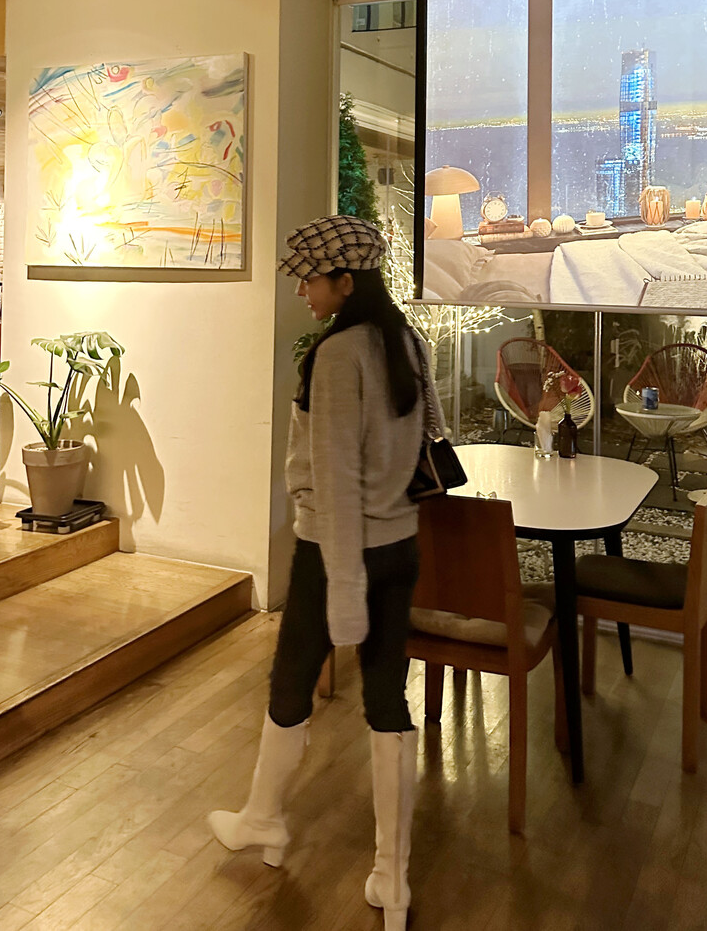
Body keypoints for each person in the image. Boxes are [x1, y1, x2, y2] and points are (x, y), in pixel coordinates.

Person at [208, 214, 436, 931]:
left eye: (310, 278)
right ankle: (392, 878)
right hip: (400, 543)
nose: (302, 290)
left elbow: (335, 480)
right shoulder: (406, 341)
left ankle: (265, 818)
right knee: (388, 700)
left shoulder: (338, 354)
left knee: (290, 682)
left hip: (336, 549)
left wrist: (343, 590)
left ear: (346, 280)